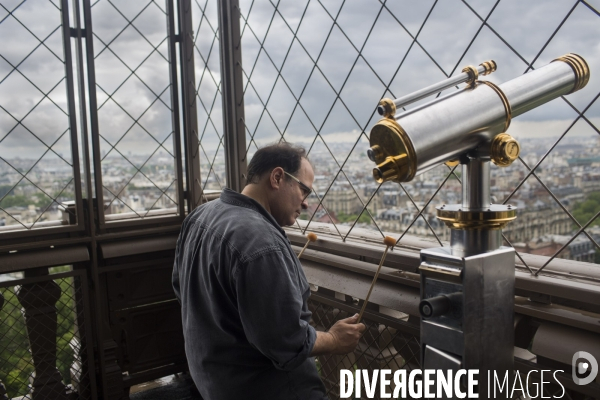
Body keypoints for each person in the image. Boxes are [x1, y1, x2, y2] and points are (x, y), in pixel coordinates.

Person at [172, 143, 366, 400]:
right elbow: (287, 342)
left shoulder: (199, 217)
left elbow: (179, 287)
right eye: (304, 190)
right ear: (277, 178)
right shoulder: (261, 242)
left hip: (215, 382)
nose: (305, 203)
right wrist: (333, 339)